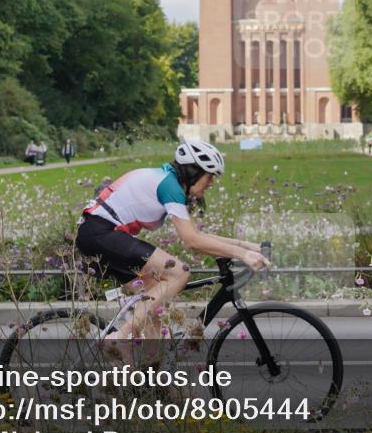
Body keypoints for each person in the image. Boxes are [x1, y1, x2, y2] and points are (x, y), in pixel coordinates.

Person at [75, 139, 270, 345]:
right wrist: (243, 255)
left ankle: (146, 370)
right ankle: (119, 337)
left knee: (154, 305)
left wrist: (247, 247)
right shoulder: (169, 185)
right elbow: (192, 241)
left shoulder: (168, 182)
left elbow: (195, 235)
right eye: (209, 176)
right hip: (100, 233)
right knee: (180, 272)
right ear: (193, 172)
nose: (211, 183)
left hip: (97, 234)